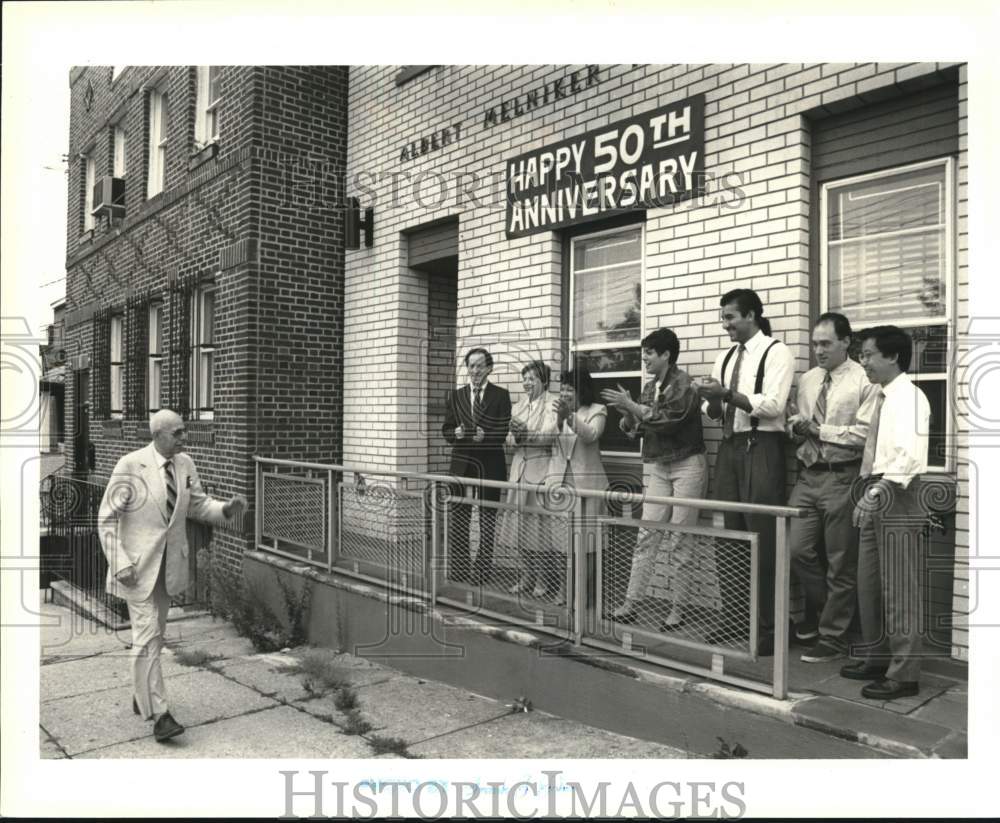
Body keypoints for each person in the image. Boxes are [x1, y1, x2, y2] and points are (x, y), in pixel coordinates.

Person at [97, 409, 246, 742]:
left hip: (168, 568)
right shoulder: (130, 465)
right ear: (158, 435)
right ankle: (160, 714)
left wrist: (225, 510)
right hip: (134, 570)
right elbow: (106, 519)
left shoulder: (185, 465)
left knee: (154, 636)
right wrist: (119, 560)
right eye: (177, 432)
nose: (184, 437)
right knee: (148, 635)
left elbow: (196, 505)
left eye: (184, 432)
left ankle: (141, 694)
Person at [697, 288, 794, 656]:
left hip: (762, 447)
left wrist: (726, 395)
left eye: (730, 318)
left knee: (764, 537)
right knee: (730, 536)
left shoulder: (776, 352)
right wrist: (707, 400)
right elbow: (714, 409)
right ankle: (735, 618)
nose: (725, 326)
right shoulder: (725, 356)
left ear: (751, 315)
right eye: (723, 318)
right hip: (730, 449)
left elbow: (772, 406)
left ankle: (769, 627)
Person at [842, 326, 930, 700]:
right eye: (861, 355)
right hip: (876, 486)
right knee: (870, 583)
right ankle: (878, 656)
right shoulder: (880, 397)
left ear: (892, 356)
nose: (863, 362)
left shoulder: (909, 397)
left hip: (896, 490)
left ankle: (904, 674)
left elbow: (908, 457)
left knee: (899, 588)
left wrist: (877, 492)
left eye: (868, 355)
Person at [602, 327, 708, 630]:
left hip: (688, 464)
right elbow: (637, 428)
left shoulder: (684, 384)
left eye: (649, 353)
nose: (644, 358)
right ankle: (631, 603)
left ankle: (677, 609)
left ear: (666, 355)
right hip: (661, 466)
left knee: (680, 539)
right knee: (647, 535)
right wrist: (628, 413)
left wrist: (634, 407)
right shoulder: (649, 388)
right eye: (643, 352)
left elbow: (668, 422)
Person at [787, 313, 878, 663]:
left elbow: (864, 434)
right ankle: (828, 613)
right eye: (814, 344)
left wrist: (817, 430)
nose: (818, 350)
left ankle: (832, 637)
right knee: (797, 551)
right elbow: (797, 423)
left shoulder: (863, 380)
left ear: (846, 342)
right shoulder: (808, 380)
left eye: (825, 343)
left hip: (844, 476)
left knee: (841, 561)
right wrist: (795, 428)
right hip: (809, 475)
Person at [442, 347, 512, 584]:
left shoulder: (501, 395)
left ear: (489, 368)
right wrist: (456, 433)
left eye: (480, 366)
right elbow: (446, 431)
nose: (475, 371)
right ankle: (460, 569)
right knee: (459, 518)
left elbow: (503, 431)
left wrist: (487, 437)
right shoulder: (456, 395)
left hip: (490, 464)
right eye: (471, 366)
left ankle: (482, 571)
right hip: (462, 465)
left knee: (487, 519)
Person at [545, 366, 609, 603]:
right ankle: (564, 590)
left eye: (570, 389)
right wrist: (560, 420)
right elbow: (547, 438)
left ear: (582, 390)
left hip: (588, 486)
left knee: (589, 544)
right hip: (560, 484)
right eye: (562, 389)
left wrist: (570, 417)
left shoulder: (597, 410)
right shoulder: (556, 411)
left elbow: (591, 435)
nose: (565, 393)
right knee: (563, 544)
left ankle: (585, 595)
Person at [498, 361, 558, 597]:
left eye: (532, 378)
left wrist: (524, 433)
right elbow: (509, 439)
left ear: (544, 381)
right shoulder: (519, 405)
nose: (527, 383)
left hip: (540, 470)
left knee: (537, 529)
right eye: (525, 378)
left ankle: (543, 578)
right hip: (519, 470)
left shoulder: (553, 403)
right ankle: (527, 574)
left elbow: (550, 435)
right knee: (518, 526)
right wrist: (516, 437)